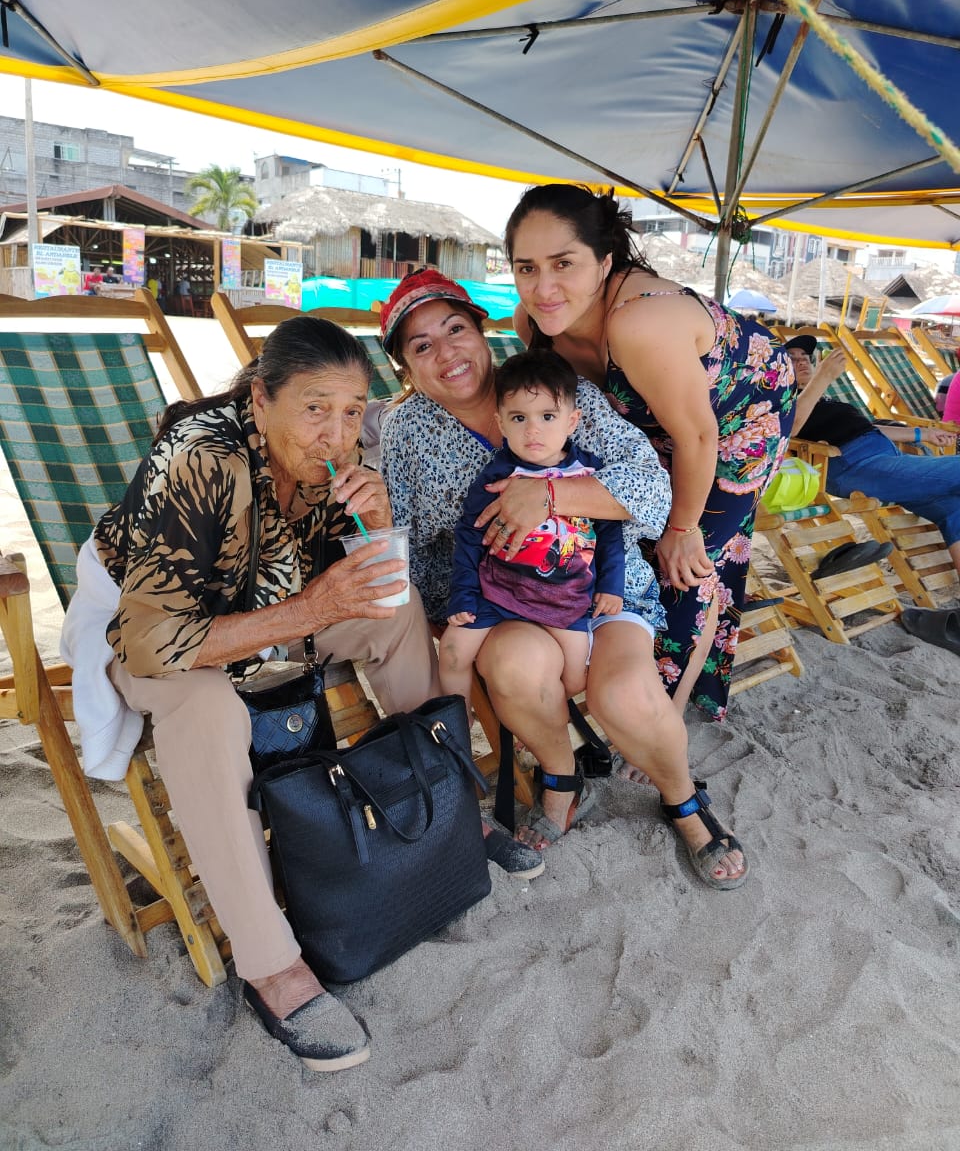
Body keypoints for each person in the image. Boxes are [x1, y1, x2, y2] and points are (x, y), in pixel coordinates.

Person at [61, 316, 445, 1072]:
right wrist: (310, 611)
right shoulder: (200, 458)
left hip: (268, 614)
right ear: (260, 399)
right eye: (315, 408)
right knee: (204, 708)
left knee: (396, 607)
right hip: (147, 628)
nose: (338, 433)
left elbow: (362, 578)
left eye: (352, 411)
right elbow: (151, 640)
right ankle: (273, 965)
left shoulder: (334, 456)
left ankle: (437, 795)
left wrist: (378, 524)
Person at [379, 268, 750, 888]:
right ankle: (561, 777)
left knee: (624, 694)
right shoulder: (406, 430)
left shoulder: (552, 387)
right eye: (422, 345)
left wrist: (550, 498)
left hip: (601, 586)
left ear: (481, 332)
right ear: (406, 367)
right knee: (512, 668)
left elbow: (652, 487)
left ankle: (683, 799)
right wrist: (452, 613)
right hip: (508, 604)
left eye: (455, 329)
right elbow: (413, 541)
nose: (445, 352)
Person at [505, 184, 797, 722]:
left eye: (563, 264)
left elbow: (699, 437)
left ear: (605, 262)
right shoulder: (533, 323)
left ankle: (670, 714)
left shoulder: (640, 321)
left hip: (739, 420)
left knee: (684, 565)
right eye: (526, 268)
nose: (543, 288)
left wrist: (682, 530)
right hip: (657, 427)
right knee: (628, 543)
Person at [440, 348, 625, 709]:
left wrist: (611, 585)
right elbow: (469, 537)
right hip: (497, 593)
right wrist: (463, 594)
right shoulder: (496, 478)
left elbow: (610, 534)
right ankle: (459, 727)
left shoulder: (589, 475)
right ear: (501, 423)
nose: (533, 429)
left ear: (572, 421)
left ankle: (541, 716)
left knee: (576, 679)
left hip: (566, 601)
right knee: (451, 653)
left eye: (547, 416)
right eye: (519, 417)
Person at [785, 334, 960, 582]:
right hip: (853, 465)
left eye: (805, 356)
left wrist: (924, 434)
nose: (802, 361)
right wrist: (822, 377)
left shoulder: (824, 400)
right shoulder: (780, 399)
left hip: (885, 458)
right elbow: (788, 429)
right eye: (791, 358)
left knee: (955, 511)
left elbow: (868, 428)